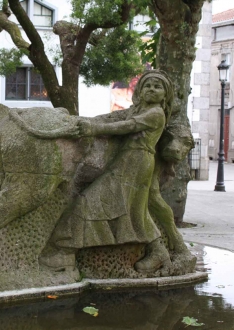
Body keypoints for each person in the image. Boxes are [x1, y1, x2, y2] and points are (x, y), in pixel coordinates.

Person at [53, 70, 174, 274]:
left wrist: (94, 130)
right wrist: (85, 122)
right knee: (134, 209)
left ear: (165, 95)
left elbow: (127, 126)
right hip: (128, 160)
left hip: (137, 163)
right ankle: (158, 251)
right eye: (147, 85)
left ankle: (66, 253)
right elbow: (112, 118)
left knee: (92, 201)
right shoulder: (136, 109)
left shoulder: (155, 113)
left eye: (157, 86)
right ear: (140, 91)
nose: (152, 89)